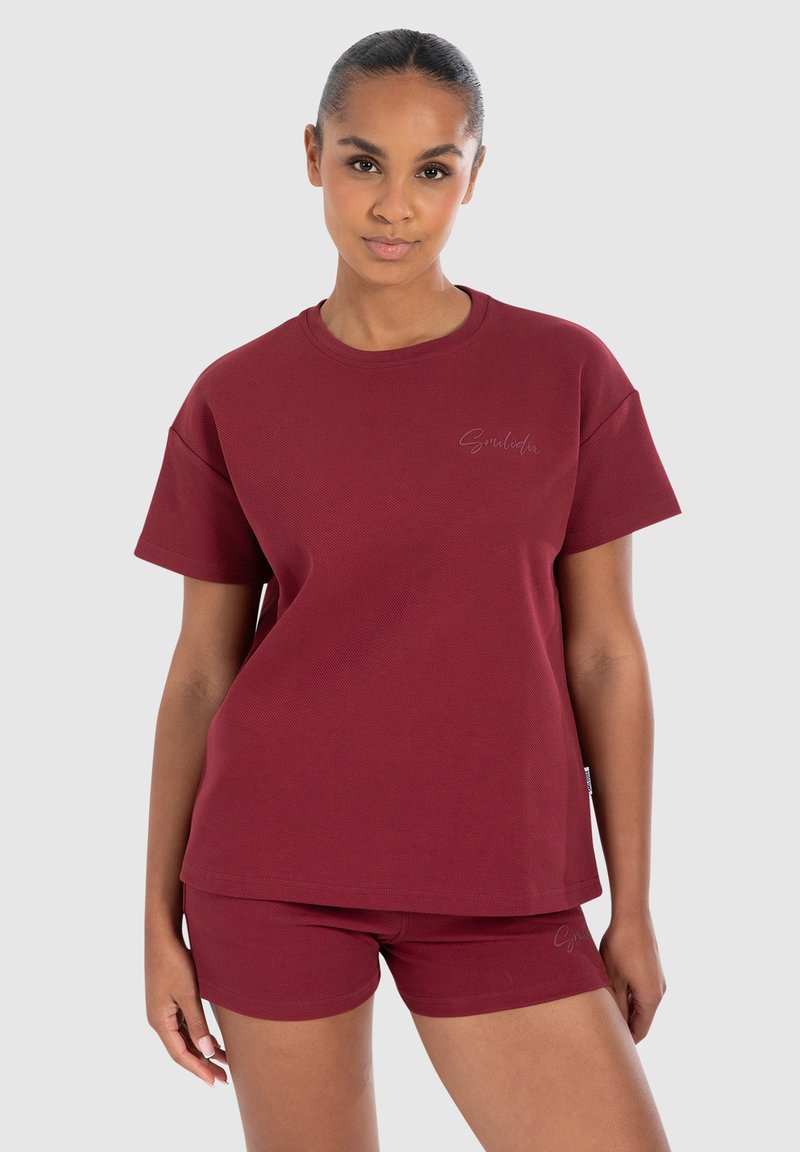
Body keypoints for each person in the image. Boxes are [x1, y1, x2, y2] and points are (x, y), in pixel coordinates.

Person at [134, 27, 681, 1152]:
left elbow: (604, 653)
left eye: (432, 168)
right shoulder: (235, 394)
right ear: (312, 157)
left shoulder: (566, 373)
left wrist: (631, 906)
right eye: (362, 162)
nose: (394, 204)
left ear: (474, 175)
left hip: (504, 873)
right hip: (272, 868)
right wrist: (154, 919)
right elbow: (199, 674)